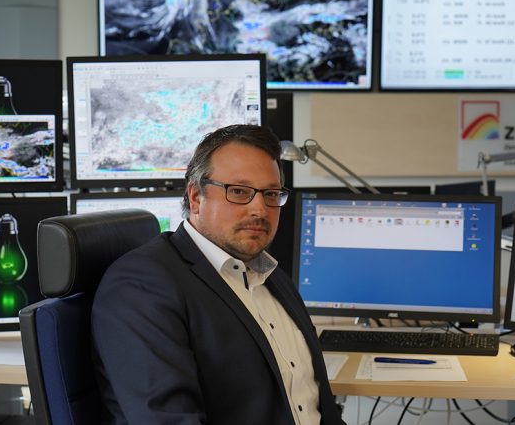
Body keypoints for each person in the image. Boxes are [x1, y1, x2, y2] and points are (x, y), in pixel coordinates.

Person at [91, 124, 345, 425]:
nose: (260, 209)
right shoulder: (141, 286)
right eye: (239, 192)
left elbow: (317, 406)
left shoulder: (271, 275)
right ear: (196, 197)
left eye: (271, 194)